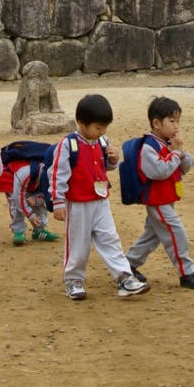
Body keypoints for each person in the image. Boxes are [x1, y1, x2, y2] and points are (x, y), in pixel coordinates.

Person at [49, 94, 149, 301]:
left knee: (110, 238)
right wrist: (58, 202)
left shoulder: (102, 141)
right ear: (82, 123)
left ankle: (124, 277)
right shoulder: (68, 145)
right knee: (78, 242)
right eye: (98, 127)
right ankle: (73, 280)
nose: (102, 131)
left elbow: (105, 168)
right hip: (77, 203)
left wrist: (112, 160)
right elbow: (57, 173)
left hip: (100, 200)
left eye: (105, 127)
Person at [125, 97, 194, 290]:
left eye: (178, 121)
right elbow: (158, 171)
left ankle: (127, 265)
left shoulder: (167, 143)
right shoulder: (149, 147)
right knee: (175, 232)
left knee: (151, 236)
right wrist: (176, 154)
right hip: (157, 200)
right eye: (172, 121)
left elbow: (186, 167)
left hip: (167, 198)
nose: (176, 126)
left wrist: (181, 152)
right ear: (156, 123)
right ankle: (187, 272)